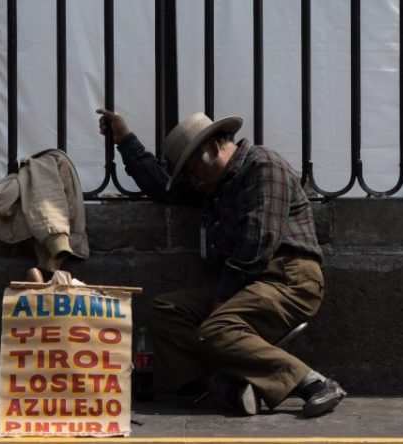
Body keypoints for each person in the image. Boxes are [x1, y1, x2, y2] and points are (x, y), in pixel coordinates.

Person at [95, 108, 346, 418]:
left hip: (288, 280)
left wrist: (219, 304)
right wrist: (124, 140)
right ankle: (226, 386)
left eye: (192, 171)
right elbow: (164, 187)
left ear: (213, 149)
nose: (192, 180)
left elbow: (256, 246)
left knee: (215, 328)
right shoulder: (213, 183)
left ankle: (312, 383)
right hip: (245, 284)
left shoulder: (263, 167)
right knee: (165, 311)